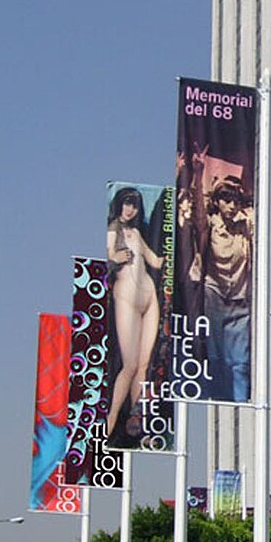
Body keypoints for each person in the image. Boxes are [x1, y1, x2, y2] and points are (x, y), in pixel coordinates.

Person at [106, 187, 164, 441]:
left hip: (149, 296)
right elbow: (109, 256)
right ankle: (110, 422)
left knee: (143, 365)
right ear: (119, 205)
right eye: (126, 204)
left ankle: (135, 421)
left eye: (134, 205)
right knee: (129, 365)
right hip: (127, 296)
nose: (130, 210)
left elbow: (155, 261)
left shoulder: (137, 233)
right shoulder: (113, 230)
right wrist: (117, 256)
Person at [189, 175, 254, 401]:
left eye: (235, 201)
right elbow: (198, 215)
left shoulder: (245, 224)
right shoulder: (210, 225)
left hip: (240, 299)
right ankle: (219, 401)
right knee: (216, 358)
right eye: (226, 200)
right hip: (215, 295)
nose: (232, 206)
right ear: (217, 202)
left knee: (241, 362)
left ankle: (241, 407)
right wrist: (198, 173)